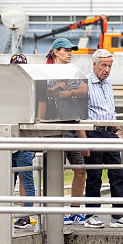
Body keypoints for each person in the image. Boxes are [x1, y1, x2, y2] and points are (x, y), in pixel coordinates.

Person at [82, 49, 123, 229]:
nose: (107, 69)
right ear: (94, 65)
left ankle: (118, 214)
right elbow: (81, 114)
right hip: (93, 132)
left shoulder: (108, 84)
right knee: (94, 176)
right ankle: (91, 214)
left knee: (117, 174)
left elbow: (110, 110)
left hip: (109, 132)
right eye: (103, 65)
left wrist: (117, 129)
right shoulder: (85, 83)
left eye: (110, 66)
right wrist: (83, 139)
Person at [47, 37, 89, 223]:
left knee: (80, 169)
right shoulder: (45, 72)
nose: (69, 53)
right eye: (65, 50)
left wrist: (83, 137)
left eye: (71, 50)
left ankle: (74, 210)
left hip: (72, 127)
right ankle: (55, 212)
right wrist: (56, 88)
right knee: (55, 171)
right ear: (56, 52)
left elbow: (81, 98)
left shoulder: (73, 74)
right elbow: (42, 97)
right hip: (54, 129)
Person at [8, 53, 36, 230]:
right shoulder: (5, 89)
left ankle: (25, 216)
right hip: (8, 141)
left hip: (24, 141)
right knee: (7, 182)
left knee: (26, 180)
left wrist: (34, 142)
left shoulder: (30, 89)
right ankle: (8, 216)